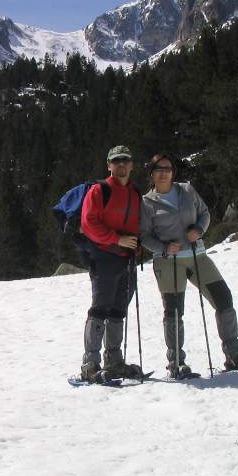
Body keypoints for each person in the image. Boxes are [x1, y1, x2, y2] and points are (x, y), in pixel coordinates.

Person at [139, 153, 238, 377]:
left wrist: (199, 230)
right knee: (174, 310)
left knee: (223, 298)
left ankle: (234, 354)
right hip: (168, 261)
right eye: (159, 169)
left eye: (168, 168)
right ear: (152, 174)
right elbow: (144, 235)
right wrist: (163, 247)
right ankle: (176, 363)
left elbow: (204, 214)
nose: (164, 172)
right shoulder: (147, 202)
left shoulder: (187, 190)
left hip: (198, 255)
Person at [79, 145, 143, 382]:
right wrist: (117, 239)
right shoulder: (100, 190)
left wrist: (135, 244)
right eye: (116, 161)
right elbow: (89, 224)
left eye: (125, 160)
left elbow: (136, 223)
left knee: (118, 310)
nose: (121, 165)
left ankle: (114, 362)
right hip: (104, 256)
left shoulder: (135, 192)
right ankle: (90, 365)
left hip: (127, 259)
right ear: (109, 165)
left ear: (132, 164)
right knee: (100, 309)